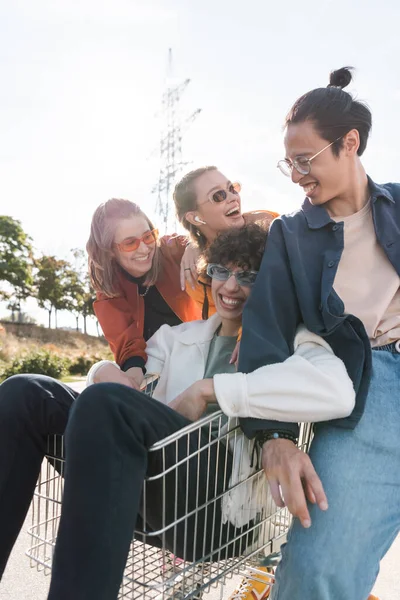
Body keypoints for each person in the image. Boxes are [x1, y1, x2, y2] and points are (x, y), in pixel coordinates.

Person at [0, 224, 355, 599]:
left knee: (107, 404)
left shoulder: (291, 340)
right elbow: (126, 396)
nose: (230, 287)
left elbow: (336, 391)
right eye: (222, 271)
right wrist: (100, 371)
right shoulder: (178, 337)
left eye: (248, 276)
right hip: (148, 487)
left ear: (271, 283)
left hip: (219, 515)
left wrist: (210, 389)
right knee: (26, 391)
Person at [238, 67, 399, 600]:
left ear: (349, 144)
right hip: (371, 393)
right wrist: (272, 435)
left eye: (305, 161)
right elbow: (267, 332)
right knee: (319, 571)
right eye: (289, 163)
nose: (295, 176)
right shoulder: (292, 236)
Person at [87, 198, 201, 390]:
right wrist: (132, 380)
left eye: (148, 236)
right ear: (109, 251)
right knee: (100, 372)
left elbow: (233, 229)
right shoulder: (109, 288)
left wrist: (196, 242)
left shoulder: (174, 250)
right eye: (130, 243)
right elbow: (127, 345)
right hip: (155, 369)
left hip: (200, 353)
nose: (144, 248)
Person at [174, 166, 279, 317]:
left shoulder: (270, 230)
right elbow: (227, 325)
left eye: (232, 189)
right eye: (218, 196)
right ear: (196, 218)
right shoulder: (197, 279)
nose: (233, 197)